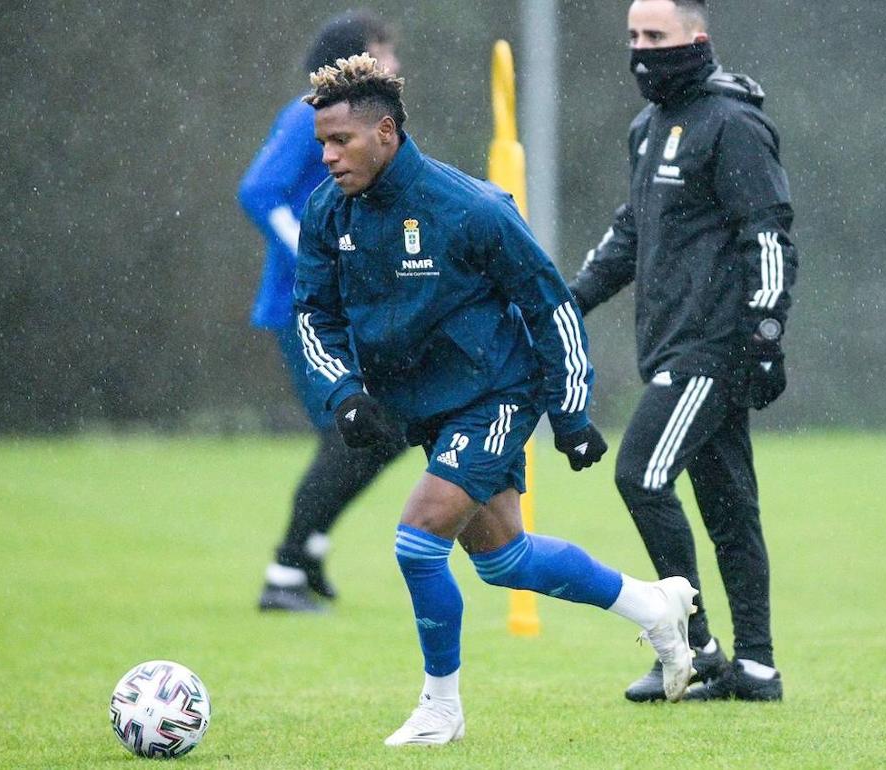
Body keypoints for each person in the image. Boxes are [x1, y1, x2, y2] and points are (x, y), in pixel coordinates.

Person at [295, 53, 699, 747]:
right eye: (322, 144)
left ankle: (441, 709)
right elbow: (313, 314)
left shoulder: (471, 208)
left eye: (342, 141)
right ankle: (655, 605)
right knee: (504, 562)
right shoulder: (330, 212)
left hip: (497, 394)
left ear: (386, 132)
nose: (328, 158)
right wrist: (346, 394)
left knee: (417, 542)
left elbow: (551, 308)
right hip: (423, 408)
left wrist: (572, 413)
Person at [568, 0, 797, 702]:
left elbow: (769, 233)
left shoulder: (731, 124)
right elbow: (631, 234)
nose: (642, 50)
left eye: (657, 37)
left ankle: (694, 648)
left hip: (713, 347)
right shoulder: (647, 127)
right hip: (671, 344)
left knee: (639, 476)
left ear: (697, 40)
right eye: (634, 36)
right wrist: (568, 304)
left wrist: (764, 332)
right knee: (730, 506)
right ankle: (754, 669)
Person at [239, 11, 405, 613]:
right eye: (384, 52)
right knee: (353, 432)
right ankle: (283, 577)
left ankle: (306, 552)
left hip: (346, 310)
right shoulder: (304, 115)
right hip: (305, 309)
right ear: (356, 60)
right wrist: (317, 260)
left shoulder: (372, 129)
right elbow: (258, 191)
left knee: (383, 434)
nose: (395, 64)